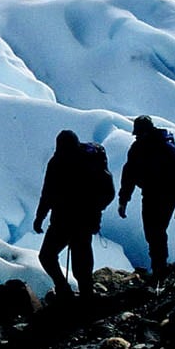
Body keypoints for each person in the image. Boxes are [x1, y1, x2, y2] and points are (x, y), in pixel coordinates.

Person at [33, 129, 114, 301]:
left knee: (48, 256)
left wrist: (40, 217)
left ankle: (68, 291)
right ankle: (84, 295)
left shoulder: (57, 162)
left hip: (65, 220)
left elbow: (47, 194)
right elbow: (108, 192)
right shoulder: (85, 162)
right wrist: (94, 210)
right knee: (79, 259)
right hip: (81, 220)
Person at [117, 115, 175, 278]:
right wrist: (123, 200)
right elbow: (129, 176)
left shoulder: (159, 148)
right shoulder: (143, 148)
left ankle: (159, 267)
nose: (137, 136)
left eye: (139, 133)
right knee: (154, 231)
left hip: (161, 196)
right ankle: (159, 266)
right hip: (157, 196)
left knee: (155, 230)